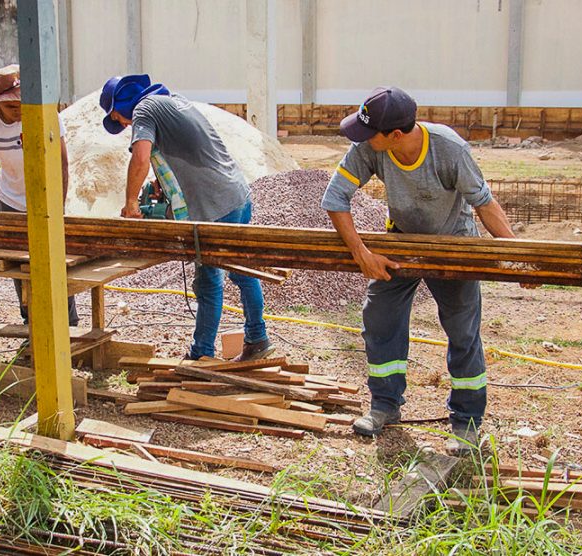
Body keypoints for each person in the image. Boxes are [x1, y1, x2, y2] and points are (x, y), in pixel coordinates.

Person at [320, 86, 517, 456]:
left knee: (462, 331)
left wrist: (521, 259)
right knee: (379, 317)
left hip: (452, 244)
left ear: (395, 135)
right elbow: (334, 198)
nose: (361, 140)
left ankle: (466, 422)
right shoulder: (368, 146)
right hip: (401, 244)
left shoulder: (449, 149)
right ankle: (385, 404)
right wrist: (362, 253)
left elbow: (485, 205)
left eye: (369, 133)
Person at [99, 74, 272, 361]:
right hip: (237, 194)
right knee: (242, 271)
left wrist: (131, 204)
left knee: (208, 282)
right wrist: (162, 184)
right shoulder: (174, 101)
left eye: (119, 118)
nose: (124, 124)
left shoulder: (143, 109)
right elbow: (191, 150)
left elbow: (140, 157)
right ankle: (257, 338)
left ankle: (202, 353)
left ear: (124, 103)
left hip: (214, 206)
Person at [0, 64, 78, 328]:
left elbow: (60, 163)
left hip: (46, 197)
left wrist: (58, 206)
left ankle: (68, 325)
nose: (19, 112)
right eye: (11, 107)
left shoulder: (44, 114)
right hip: (10, 200)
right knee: (20, 268)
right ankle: (32, 324)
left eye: (22, 104)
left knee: (56, 264)